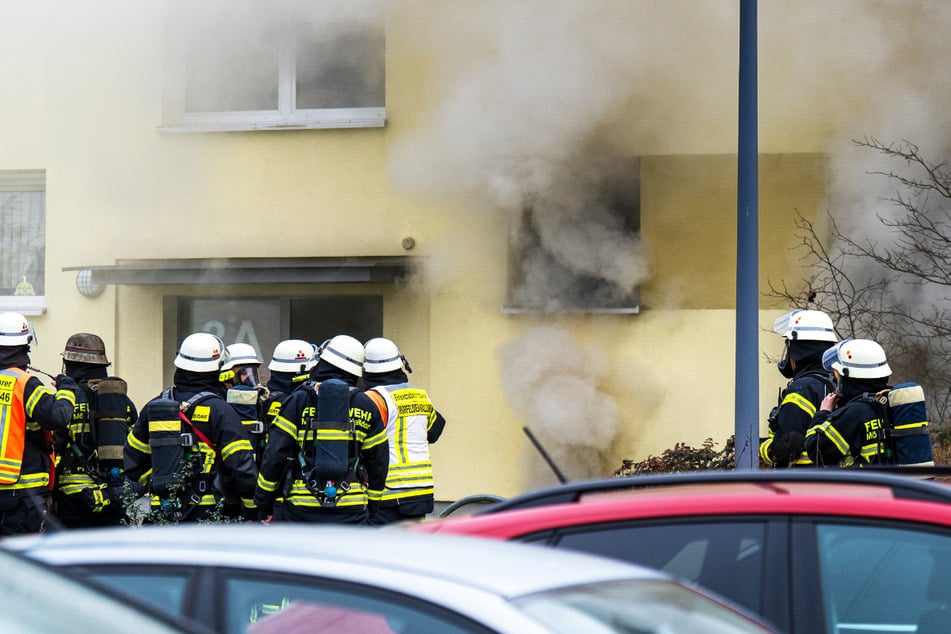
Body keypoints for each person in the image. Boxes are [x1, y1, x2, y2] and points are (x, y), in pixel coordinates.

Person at [253, 334, 388, 525]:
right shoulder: (365, 404)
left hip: (302, 506)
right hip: (352, 506)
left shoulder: (299, 400)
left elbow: (275, 453)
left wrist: (264, 501)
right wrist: (374, 506)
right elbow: (379, 461)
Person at [124, 332, 258, 522]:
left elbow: (132, 461)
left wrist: (161, 482)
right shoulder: (220, 411)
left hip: (162, 511)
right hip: (209, 513)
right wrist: (253, 509)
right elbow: (241, 466)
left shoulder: (154, 406)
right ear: (217, 369)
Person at [52, 333, 141, 528]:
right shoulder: (122, 401)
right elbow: (136, 445)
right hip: (112, 492)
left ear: (70, 364)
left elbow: (54, 446)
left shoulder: (67, 399)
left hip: (73, 496)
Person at [0, 312, 77, 535]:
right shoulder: (24, 383)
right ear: (25, 347)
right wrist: (67, 389)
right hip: (20, 494)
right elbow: (58, 416)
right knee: (20, 561)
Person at [362, 337, 446, 524]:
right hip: (421, 491)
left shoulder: (374, 398)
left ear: (367, 370)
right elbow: (434, 432)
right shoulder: (420, 395)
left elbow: (362, 443)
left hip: (389, 493)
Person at [759, 309, 837, 468]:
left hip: (802, 483)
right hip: (830, 481)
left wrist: (763, 448)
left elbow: (787, 448)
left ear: (799, 350)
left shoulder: (802, 389)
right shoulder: (835, 382)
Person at [804, 338, 892, 467]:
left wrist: (823, 413)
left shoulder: (854, 413)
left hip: (861, 486)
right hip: (896, 484)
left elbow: (816, 450)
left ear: (847, 375)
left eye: (837, 373)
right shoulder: (891, 401)